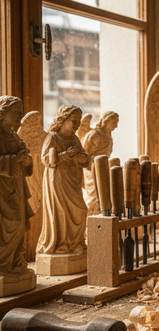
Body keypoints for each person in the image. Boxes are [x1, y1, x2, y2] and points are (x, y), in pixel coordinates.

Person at [37, 105, 91, 255]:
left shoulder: (74, 138)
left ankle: (76, 243)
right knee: (61, 211)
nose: (76, 124)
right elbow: (45, 159)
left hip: (73, 180)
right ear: (63, 120)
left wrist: (82, 158)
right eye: (73, 121)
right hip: (58, 180)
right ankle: (61, 244)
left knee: (81, 209)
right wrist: (65, 155)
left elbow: (85, 158)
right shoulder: (52, 137)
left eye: (78, 121)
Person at [0, 96, 34, 274]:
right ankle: (3, 266)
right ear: (2, 113)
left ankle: (15, 262)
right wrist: (14, 160)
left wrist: (27, 161)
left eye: (20, 112)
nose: (19, 116)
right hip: (2, 190)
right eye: (14, 112)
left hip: (17, 187)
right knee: (7, 226)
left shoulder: (14, 136)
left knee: (20, 224)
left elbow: (26, 159)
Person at [81, 111, 119, 217]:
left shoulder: (109, 136)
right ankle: (89, 222)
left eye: (116, 123)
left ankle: (100, 220)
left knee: (105, 196)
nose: (116, 126)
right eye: (114, 123)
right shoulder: (94, 134)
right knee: (94, 197)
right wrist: (94, 161)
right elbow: (83, 154)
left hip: (103, 169)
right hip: (91, 170)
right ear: (106, 121)